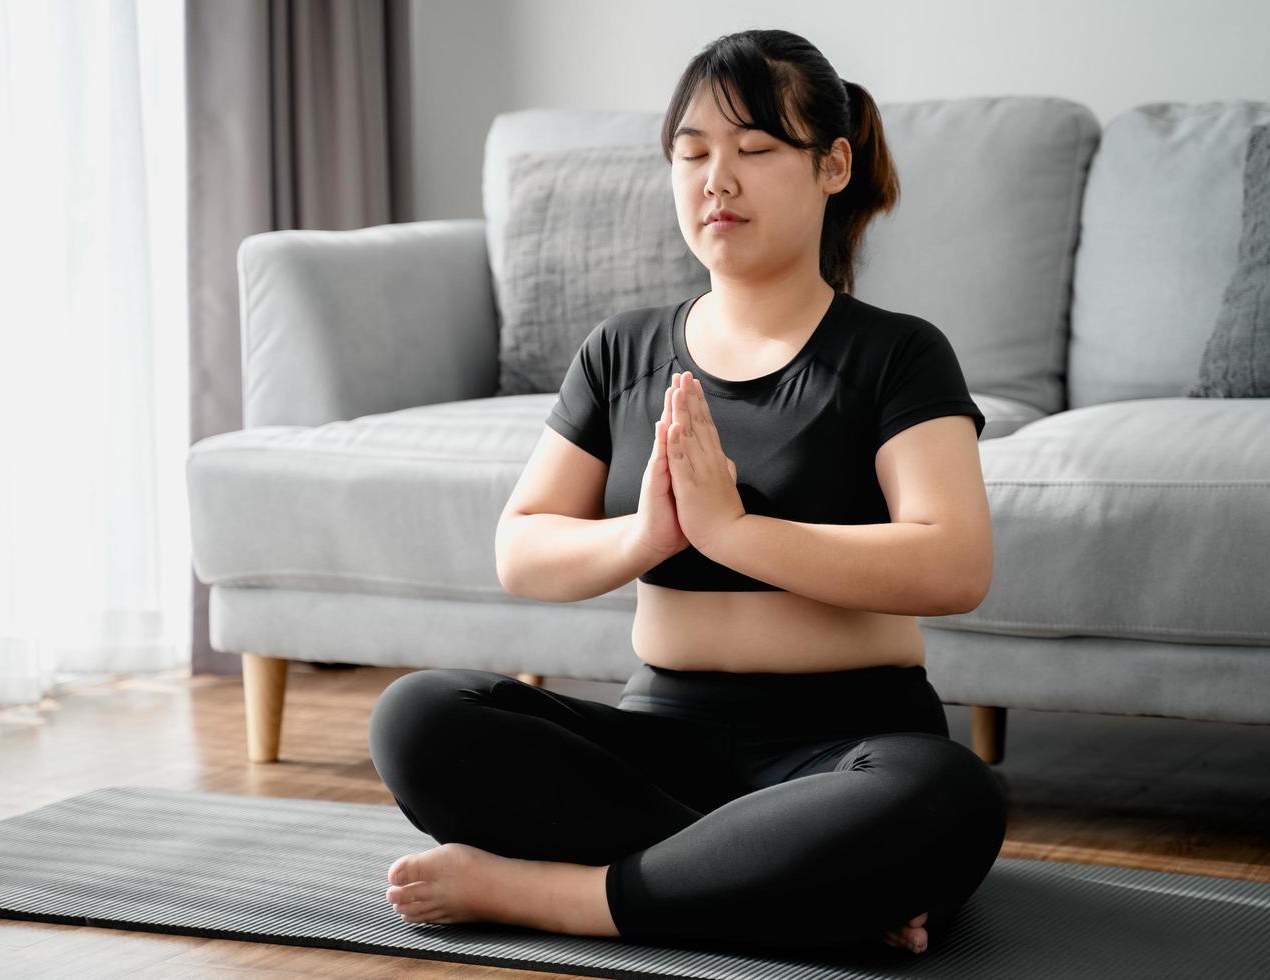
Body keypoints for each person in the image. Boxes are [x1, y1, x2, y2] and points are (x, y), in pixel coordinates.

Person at [368, 27, 1007, 958]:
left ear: (833, 166)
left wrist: (735, 531)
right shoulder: (622, 352)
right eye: (692, 153)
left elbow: (955, 562)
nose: (718, 179)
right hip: (660, 746)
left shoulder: (897, 355)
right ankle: (790, 887)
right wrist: (649, 535)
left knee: (948, 797)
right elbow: (524, 550)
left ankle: (565, 898)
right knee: (419, 717)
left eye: (754, 150)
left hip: (849, 745)